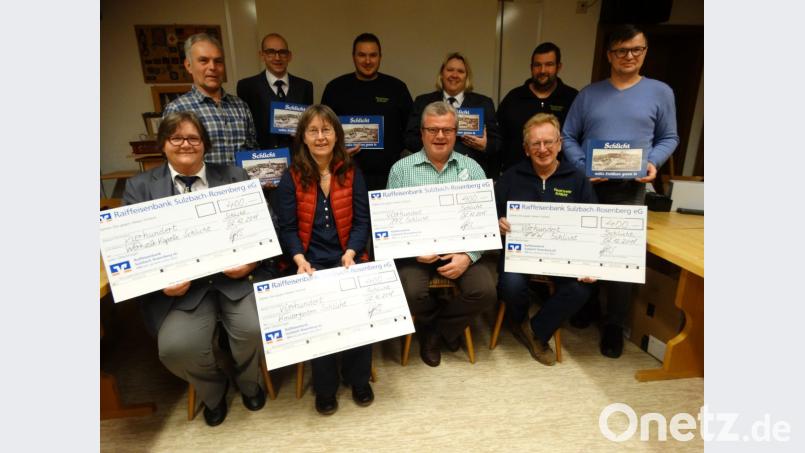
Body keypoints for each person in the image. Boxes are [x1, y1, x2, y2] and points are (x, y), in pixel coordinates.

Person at [122, 111, 275, 427]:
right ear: (163, 144)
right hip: (180, 292)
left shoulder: (235, 176)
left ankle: (248, 382)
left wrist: (253, 261)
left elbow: (266, 227)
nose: (185, 144)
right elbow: (130, 248)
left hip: (234, 279)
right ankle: (214, 390)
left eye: (193, 138)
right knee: (176, 348)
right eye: (176, 138)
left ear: (204, 144)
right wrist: (160, 281)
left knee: (255, 328)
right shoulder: (139, 188)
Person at [561, 24, 679, 358]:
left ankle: (614, 323)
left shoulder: (660, 92)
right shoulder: (589, 94)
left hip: (631, 189)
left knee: (621, 259)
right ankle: (585, 308)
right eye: (621, 51)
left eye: (636, 50)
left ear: (645, 52)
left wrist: (653, 162)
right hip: (590, 187)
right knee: (585, 250)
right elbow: (568, 136)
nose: (628, 57)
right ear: (609, 54)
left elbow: (670, 137)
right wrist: (583, 164)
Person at [275, 105, 373, 415]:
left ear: (336, 135)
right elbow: (288, 227)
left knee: (359, 311)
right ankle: (326, 387)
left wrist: (352, 252)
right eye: (313, 131)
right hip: (310, 262)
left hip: (348, 257)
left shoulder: (353, 171)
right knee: (319, 320)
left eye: (326, 130)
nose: (321, 137)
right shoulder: (290, 177)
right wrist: (299, 258)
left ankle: (358, 379)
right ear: (303, 137)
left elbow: (362, 222)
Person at [387, 101, 497, 367]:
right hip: (418, 254)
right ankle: (442, 327)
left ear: (456, 132)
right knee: (410, 292)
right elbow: (388, 226)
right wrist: (413, 252)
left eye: (447, 130)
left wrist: (468, 256)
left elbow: (485, 225)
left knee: (486, 291)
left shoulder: (473, 170)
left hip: (460, 250)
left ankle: (435, 331)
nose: (440, 136)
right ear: (422, 132)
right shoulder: (401, 170)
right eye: (433, 130)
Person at [495, 113, 597, 366]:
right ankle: (520, 320)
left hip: (564, 257)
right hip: (519, 255)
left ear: (560, 144)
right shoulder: (510, 177)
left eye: (549, 142)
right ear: (526, 149)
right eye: (535, 144)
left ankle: (535, 331)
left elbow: (593, 223)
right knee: (510, 286)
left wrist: (589, 263)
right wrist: (497, 223)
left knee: (582, 287)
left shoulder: (577, 179)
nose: (543, 149)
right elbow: (489, 215)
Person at [321, 33, 413, 191]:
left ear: (380, 57)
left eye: (373, 55)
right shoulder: (335, 88)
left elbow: (411, 130)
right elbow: (323, 130)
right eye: (362, 55)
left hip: (390, 175)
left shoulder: (397, 88)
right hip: (344, 173)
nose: (368, 61)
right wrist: (337, 152)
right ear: (353, 57)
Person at [164, 33, 258, 166]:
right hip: (202, 186)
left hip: (242, 186)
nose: (212, 67)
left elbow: (253, 150)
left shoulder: (241, 106)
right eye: (203, 60)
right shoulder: (177, 109)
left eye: (218, 61)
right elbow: (174, 160)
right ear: (188, 65)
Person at [404, 52, 500, 177]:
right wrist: (434, 145)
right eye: (450, 70)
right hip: (429, 171)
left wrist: (484, 145)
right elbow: (409, 138)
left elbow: (497, 143)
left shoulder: (483, 103)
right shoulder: (423, 102)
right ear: (442, 74)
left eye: (460, 71)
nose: (454, 75)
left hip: (469, 173)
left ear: (467, 77)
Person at [497, 42, 578, 174]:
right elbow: (499, 139)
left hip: (559, 178)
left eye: (549, 65)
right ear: (531, 67)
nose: (542, 70)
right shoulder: (513, 98)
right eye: (537, 65)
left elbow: (578, 140)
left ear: (559, 66)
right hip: (516, 177)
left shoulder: (572, 98)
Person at [237, 33, 314, 150]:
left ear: (289, 56)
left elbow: (309, 124)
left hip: (298, 157)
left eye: (282, 52)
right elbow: (244, 128)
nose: (277, 58)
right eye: (271, 52)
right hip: (263, 157)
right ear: (262, 55)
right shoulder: (247, 86)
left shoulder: (305, 87)